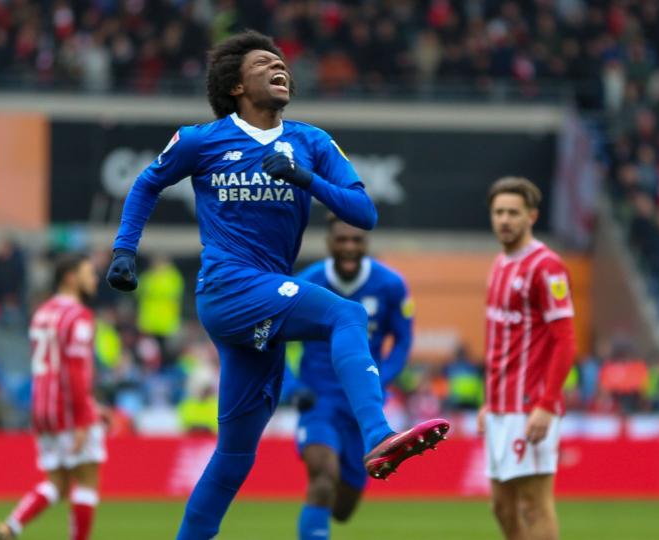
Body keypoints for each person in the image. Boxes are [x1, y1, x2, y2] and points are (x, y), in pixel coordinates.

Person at [106, 31, 448, 540]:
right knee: (347, 314)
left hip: (263, 302)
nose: (279, 67)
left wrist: (304, 178)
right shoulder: (201, 140)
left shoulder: (311, 142)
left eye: (282, 62)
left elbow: (364, 212)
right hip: (226, 289)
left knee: (234, 456)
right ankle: (377, 434)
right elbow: (146, 183)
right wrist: (123, 250)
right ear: (236, 86)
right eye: (265, 63)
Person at [288, 213, 415, 539]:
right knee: (322, 478)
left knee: (343, 509)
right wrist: (293, 387)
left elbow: (401, 341)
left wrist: (380, 379)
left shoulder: (391, 285)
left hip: (362, 409)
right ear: (329, 242)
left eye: (356, 240)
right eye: (341, 239)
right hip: (319, 402)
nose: (349, 247)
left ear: (366, 243)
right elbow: (277, 342)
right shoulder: (306, 283)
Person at [478, 177, 577, 540]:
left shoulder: (546, 266)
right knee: (501, 506)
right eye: (499, 212)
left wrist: (547, 403)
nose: (504, 220)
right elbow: (499, 343)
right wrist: (489, 403)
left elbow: (564, 340)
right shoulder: (501, 264)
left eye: (513, 213)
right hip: (501, 406)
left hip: (530, 404)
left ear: (531, 216)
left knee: (533, 504)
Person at [0, 254, 105, 540]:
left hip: (43, 408)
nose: (94, 278)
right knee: (86, 482)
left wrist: (92, 406)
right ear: (70, 277)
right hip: (68, 409)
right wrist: (83, 418)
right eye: (88, 272)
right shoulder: (78, 317)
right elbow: (74, 370)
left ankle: (11, 526)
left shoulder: (42, 313)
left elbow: (52, 367)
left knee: (58, 482)